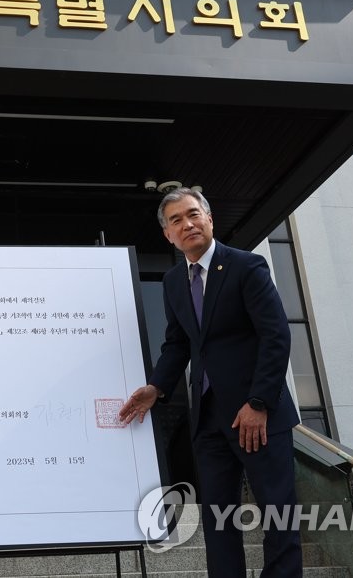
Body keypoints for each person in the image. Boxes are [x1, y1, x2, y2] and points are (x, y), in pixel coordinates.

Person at [119, 187, 301, 577]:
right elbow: (179, 343)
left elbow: (276, 336)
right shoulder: (172, 283)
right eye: (176, 221)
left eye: (193, 215)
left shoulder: (246, 267)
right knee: (220, 521)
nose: (187, 224)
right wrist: (156, 387)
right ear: (168, 234)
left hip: (257, 417)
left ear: (209, 219)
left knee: (278, 516)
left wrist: (259, 403)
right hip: (208, 421)